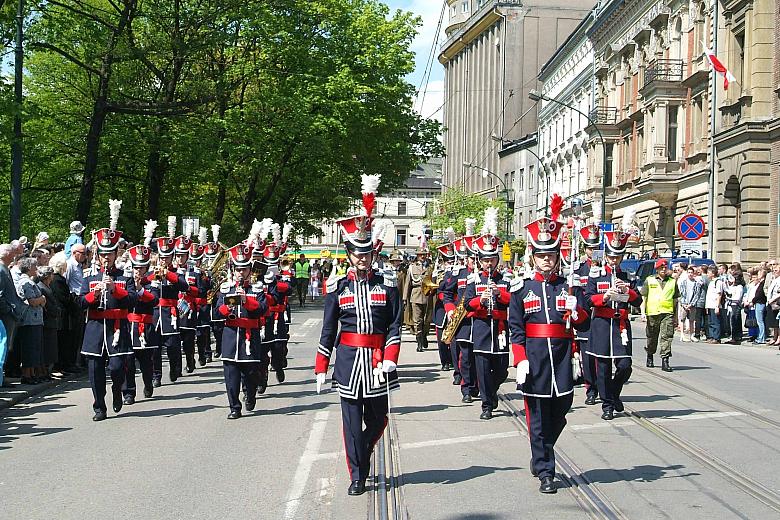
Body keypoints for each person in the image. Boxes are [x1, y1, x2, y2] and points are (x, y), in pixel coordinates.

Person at [314, 175, 402, 497]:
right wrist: (321, 367)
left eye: (367, 253)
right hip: (349, 363)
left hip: (379, 363)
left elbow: (394, 324)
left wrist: (391, 359)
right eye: (356, 253)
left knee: (378, 420)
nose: (362, 258)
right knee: (351, 425)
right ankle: (357, 475)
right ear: (349, 253)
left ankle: (362, 456)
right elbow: (328, 328)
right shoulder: (338, 287)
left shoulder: (388, 285)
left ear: (373, 253)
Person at [508, 210, 589, 494]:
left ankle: (541, 450)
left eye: (551, 255)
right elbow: (515, 329)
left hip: (563, 358)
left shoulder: (567, 286)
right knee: (539, 417)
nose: (547, 260)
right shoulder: (521, 289)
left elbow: (583, 321)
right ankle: (546, 470)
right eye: (542, 255)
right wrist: (520, 360)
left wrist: (574, 309)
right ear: (533, 256)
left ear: (557, 257)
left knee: (561, 411)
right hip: (535, 359)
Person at [80, 204, 138, 422]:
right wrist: (95, 295)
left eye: (110, 254)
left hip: (116, 330)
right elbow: (80, 303)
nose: (106, 258)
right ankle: (99, 407)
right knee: (95, 372)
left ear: (116, 254)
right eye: (103, 254)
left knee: (116, 368)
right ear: (99, 255)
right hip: (95, 330)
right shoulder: (89, 277)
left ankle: (117, 391)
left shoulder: (125, 277)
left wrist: (115, 289)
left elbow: (132, 301)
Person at [586, 228, 642, 420]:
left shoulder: (627, 276)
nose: (614, 260)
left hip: (620, 326)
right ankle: (607, 405)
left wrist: (628, 290)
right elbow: (587, 299)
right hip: (602, 324)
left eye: (617, 257)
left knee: (625, 365)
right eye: (611, 256)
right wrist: (604, 296)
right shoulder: (596, 275)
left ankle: (613, 393)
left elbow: (638, 301)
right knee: (602, 368)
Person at [462, 217, 511, 421]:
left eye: (492, 259)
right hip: (481, 329)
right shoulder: (474, 279)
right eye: (485, 260)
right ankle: (487, 404)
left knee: (501, 371)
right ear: (480, 261)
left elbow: (513, 302)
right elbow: (466, 303)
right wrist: (480, 300)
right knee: (482, 371)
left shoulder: (506, 278)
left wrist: (499, 294)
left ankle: (491, 391)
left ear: (497, 260)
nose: (488, 263)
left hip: (500, 329)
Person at [214, 243, 268, 419]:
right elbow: (217, 311)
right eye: (238, 269)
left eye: (244, 269)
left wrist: (245, 300)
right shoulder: (226, 288)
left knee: (251, 374)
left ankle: (250, 394)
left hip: (250, 338)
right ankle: (234, 408)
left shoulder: (257, 289)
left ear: (249, 270)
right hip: (231, 337)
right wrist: (229, 305)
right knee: (231, 376)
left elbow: (262, 309)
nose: (240, 273)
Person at [151, 219, 191, 385]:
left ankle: (175, 367)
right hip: (155, 313)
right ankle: (156, 375)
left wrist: (168, 274)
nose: (164, 260)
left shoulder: (176, 271)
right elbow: (145, 283)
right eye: (162, 257)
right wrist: (154, 276)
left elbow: (184, 286)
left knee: (173, 345)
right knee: (155, 348)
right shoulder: (153, 269)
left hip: (171, 313)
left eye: (167, 257)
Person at [123, 235, 161, 403]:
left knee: (146, 361)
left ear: (146, 268)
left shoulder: (153, 281)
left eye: (141, 268)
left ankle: (148, 383)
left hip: (145, 327)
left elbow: (154, 299)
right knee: (128, 362)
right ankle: (129, 392)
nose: (138, 271)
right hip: (129, 326)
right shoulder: (126, 281)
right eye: (135, 267)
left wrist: (139, 290)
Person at [573, 216, 601, 406]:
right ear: (585, 250)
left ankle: (605, 387)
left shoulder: (606, 270)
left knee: (602, 359)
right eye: (591, 248)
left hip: (602, 319)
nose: (594, 251)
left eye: (597, 248)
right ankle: (591, 389)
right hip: (584, 320)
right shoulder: (579, 270)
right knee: (588, 359)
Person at [640, 259, 679, 372]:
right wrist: (643, 312)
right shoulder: (650, 280)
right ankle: (650, 354)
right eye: (661, 268)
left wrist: (675, 316)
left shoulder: (672, 281)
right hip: (652, 313)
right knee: (652, 337)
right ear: (656, 269)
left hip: (667, 313)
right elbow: (644, 297)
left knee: (666, 336)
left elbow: (675, 299)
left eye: (665, 267)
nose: (663, 269)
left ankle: (665, 360)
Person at [16, 257, 46, 385]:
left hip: (35, 320)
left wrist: (40, 300)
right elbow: (32, 301)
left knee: (35, 348)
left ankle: (32, 373)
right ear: (28, 268)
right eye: (34, 266)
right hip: (29, 320)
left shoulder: (31, 281)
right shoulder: (25, 282)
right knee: (29, 347)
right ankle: (26, 375)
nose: (36, 269)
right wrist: (42, 298)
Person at [0, 244, 25, 386]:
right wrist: (9, 310)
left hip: (9, 315)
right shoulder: (1, 270)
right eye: (12, 252)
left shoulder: (5, 269)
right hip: (5, 316)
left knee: (7, 347)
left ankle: (2, 378)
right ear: (8, 254)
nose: (15, 255)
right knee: (3, 347)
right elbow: (0, 295)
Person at [36, 265, 62, 380]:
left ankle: (48, 371)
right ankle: (44, 372)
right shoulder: (41, 288)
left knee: (51, 348)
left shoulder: (48, 286)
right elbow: (46, 306)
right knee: (47, 348)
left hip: (52, 321)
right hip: (47, 321)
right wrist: (55, 311)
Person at [432, 239, 455, 372]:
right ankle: (444, 361)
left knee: (452, 337)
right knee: (441, 337)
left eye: (452, 262)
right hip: (441, 309)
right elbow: (433, 290)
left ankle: (452, 360)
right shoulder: (439, 274)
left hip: (453, 307)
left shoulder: (457, 273)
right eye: (448, 262)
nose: (450, 264)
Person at [406, 247, 429, 352]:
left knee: (426, 320)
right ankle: (419, 342)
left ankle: (424, 335)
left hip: (428, 296)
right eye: (420, 254)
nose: (423, 256)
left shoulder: (430, 267)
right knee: (417, 320)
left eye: (424, 254)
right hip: (415, 296)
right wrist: (404, 298)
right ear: (417, 256)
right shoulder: (412, 268)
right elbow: (408, 284)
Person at [704, 265, 724, 343]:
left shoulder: (718, 282)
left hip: (714, 305)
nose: (707, 274)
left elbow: (719, 294)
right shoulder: (711, 282)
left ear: (713, 273)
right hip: (709, 305)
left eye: (708, 273)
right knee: (710, 322)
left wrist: (717, 306)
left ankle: (717, 338)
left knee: (716, 322)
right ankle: (711, 336)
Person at [724, 273, 744, 345]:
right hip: (730, 305)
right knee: (730, 321)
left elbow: (737, 298)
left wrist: (730, 298)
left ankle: (736, 336)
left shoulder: (739, 287)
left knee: (735, 321)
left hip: (735, 305)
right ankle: (732, 336)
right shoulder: (732, 286)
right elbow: (728, 292)